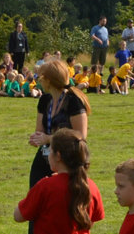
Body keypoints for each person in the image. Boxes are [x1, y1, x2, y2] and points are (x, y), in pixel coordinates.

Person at [26, 60, 90, 188]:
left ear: (48, 80)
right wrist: (37, 138)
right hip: (46, 156)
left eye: (40, 77)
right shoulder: (45, 100)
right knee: (35, 194)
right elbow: (40, 130)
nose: (38, 80)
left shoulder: (73, 101)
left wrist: (48, 138)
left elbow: (81, 135)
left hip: (68, 159)